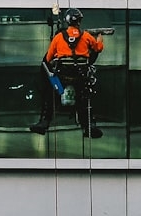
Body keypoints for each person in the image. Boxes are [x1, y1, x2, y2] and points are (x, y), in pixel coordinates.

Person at [30, 7, 104, 138]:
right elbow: (98, 48)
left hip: (61, 81)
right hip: (80, 80)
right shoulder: (86, 36)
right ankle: (89, 125)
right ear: (79, 22)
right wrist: (99, 38)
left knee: (50, 92)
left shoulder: (58, 38)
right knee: (85, 97)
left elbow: (48, 58)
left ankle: (44, 122)